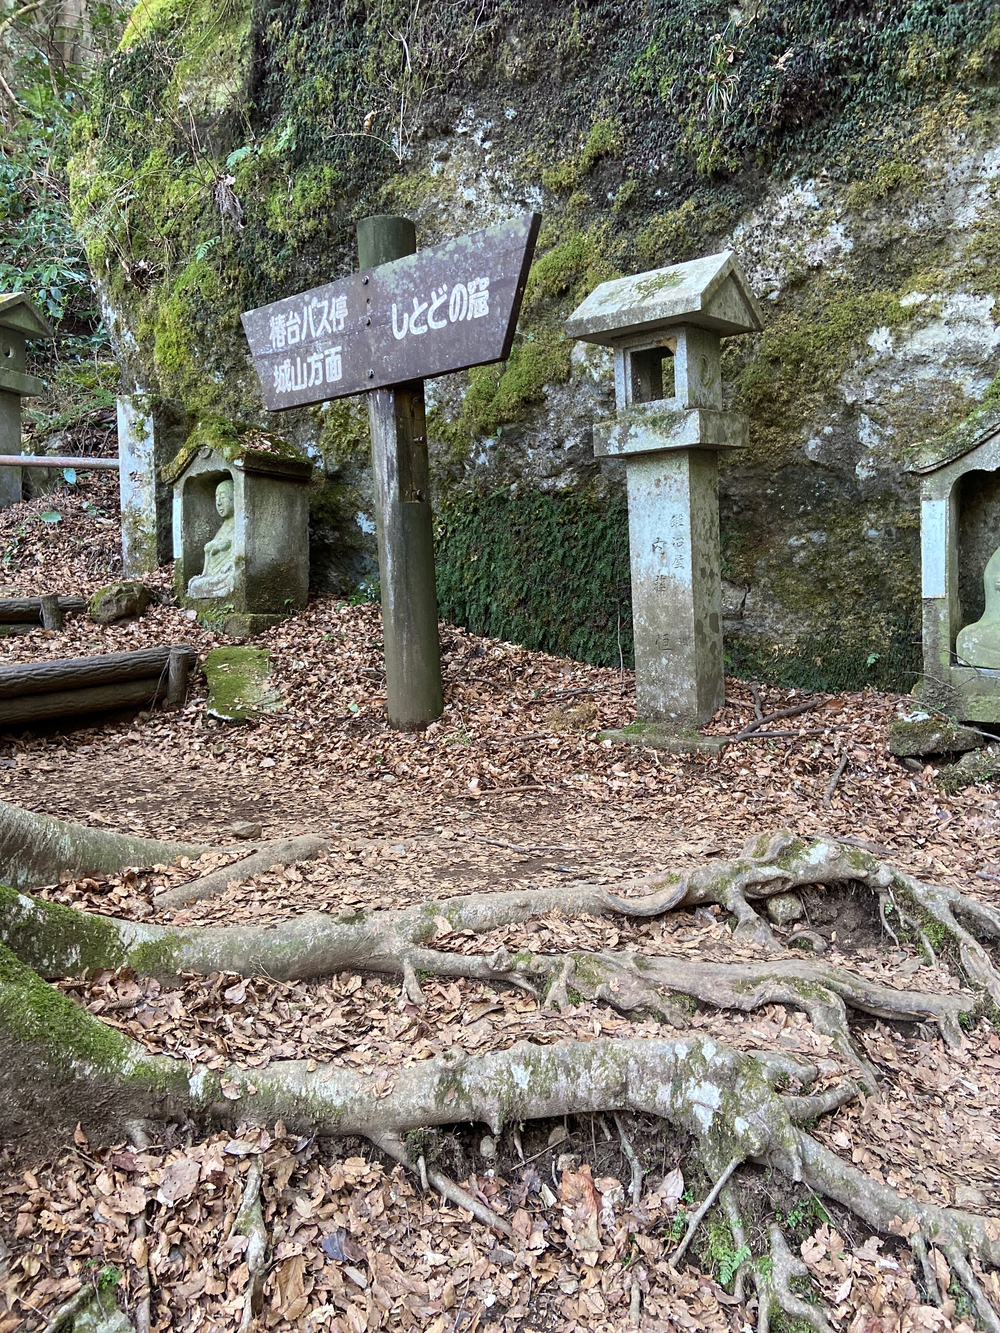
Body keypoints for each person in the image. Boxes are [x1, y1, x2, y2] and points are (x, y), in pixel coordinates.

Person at [187, 479, 236, 599]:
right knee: (194, 585)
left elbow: (239, 556)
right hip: (215, 574)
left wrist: (231, 562)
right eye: (216, 497)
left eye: (223, 497)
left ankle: (222, 591)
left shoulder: (239, 523)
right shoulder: (224, 526)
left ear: (235, 497)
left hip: (227, 574)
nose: (218, 503)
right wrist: (205, 574)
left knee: (231, 579)